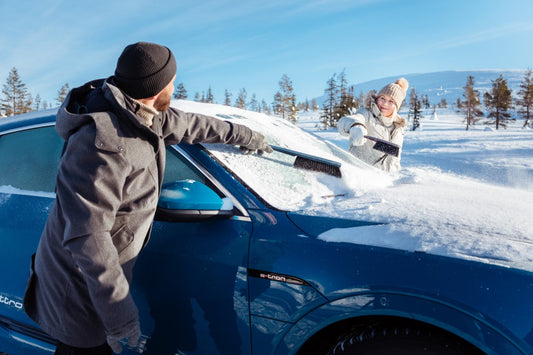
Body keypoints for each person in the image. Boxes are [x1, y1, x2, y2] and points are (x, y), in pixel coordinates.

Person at [23, 41, 272, 355]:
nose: (175, 85)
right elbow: (89, 238)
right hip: (81, 287)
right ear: (156, 88)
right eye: (172, 80)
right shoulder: (101, 145)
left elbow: (191, 124)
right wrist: (120, 316)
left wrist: (243, 135)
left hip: (99, 279)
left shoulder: (139, 113)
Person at [337, 78, 409, 172]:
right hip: (359, 175)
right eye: (382, 98)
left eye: (391, 101)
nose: (385, 104)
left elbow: (395, 160)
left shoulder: (398, 127)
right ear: (377, 99)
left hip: (385, 181)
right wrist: (356, 126)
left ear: (396, 106)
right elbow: (345, 122)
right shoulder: (366, 114)